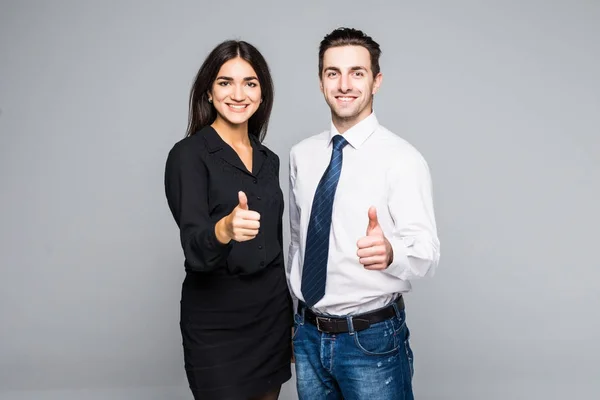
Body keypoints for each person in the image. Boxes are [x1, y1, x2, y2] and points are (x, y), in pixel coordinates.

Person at [287, 27, 441, 399]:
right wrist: (294, 323)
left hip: (370, 340)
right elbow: (298, 243)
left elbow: (427, 253)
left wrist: (391, 253)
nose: (344, 84)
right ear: (321, 81)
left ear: (376, 82)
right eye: (332, 73)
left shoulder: (402, 159)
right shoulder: (301, 156)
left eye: (357, 72)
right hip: (307, 335)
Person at [164, 39, 293, 400]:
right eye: (225, 82)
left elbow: (276, 248)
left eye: (250, 83)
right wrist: (224, 229)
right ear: (208, 91)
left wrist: (292, 317)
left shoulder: (269, 160)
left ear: (262, 94)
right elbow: (194, 247)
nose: (238, 93)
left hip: (270, 316)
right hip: (216, 322)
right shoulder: (188, 155)